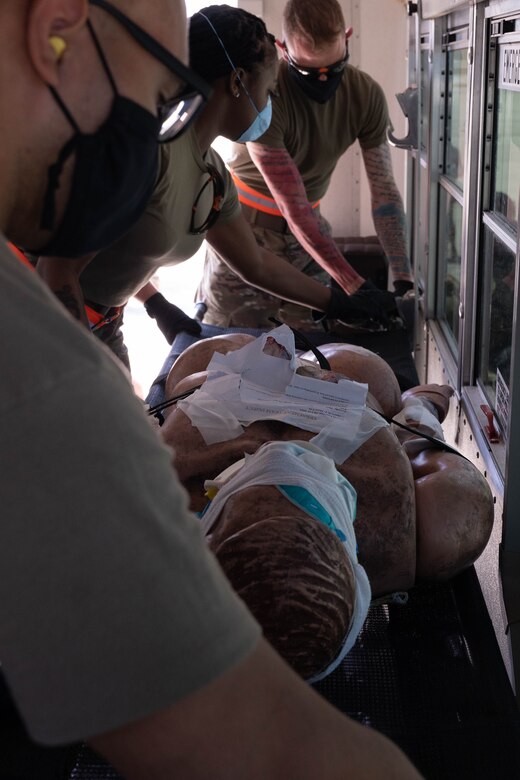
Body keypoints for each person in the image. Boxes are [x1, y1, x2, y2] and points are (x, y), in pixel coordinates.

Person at [0, 1, 425, 777]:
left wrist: (346, 298)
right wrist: (109, 393)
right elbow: (261, 742)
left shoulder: (207, 172)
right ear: (52, 28)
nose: (162, 117)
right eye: (161, 94)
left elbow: (268, 257)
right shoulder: (42, 380)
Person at [34, 3, 398, 371]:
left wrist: (337, 302)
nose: (271, 103)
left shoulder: (213, 176)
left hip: (104, 322)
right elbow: (57, 268)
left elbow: (255, 264)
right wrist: (79, 372)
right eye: (269, 90)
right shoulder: (148, 151)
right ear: (238, 81)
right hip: (41, 320)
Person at [160, 330, 494, 602]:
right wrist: (422, 408)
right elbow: (428, 459)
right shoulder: (391, 519)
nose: (278, 454)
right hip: (345, 390)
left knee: (209, 359)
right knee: (453, 504)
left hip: (233, 389)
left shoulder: (169, 480)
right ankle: (410, 402)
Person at [198, 0, 414, 330]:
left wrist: (402, 279)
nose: (323, 79)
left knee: (313, 356)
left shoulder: (365, 95)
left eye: (334, 67)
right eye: (309, 71)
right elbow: (293, 207)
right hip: (246, 230)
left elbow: (385, 192)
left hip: (307, 236)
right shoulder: (266, 93)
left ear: (347, 38)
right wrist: (352, 285)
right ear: (284, 50)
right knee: (233, 347)